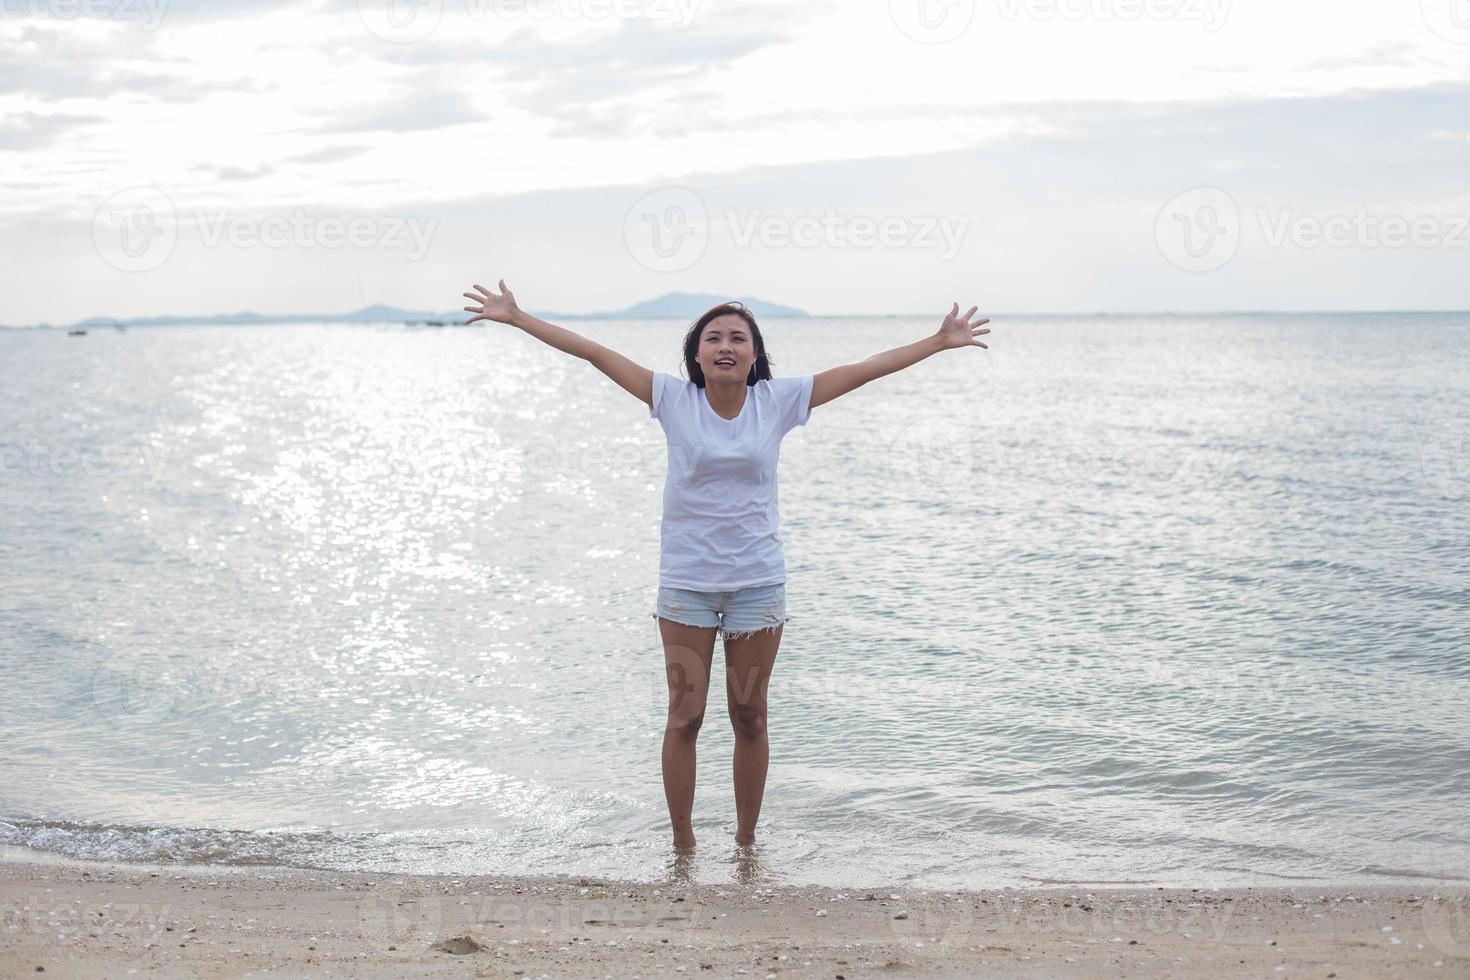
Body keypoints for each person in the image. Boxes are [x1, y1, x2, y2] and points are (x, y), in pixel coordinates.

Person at [462, 280, 991, 852]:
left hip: (757, 586)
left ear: (754, 355)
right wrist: (517, 317)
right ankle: (683, 846)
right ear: (696, 355)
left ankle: (745, 843)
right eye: (713, 337)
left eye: (738, 338)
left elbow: (864, 369)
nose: (725, 345)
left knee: (750, 715)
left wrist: (937, 342)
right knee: (685, 717)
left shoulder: (779, 401)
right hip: (688, 586)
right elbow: (594, 351)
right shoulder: (670, 398)